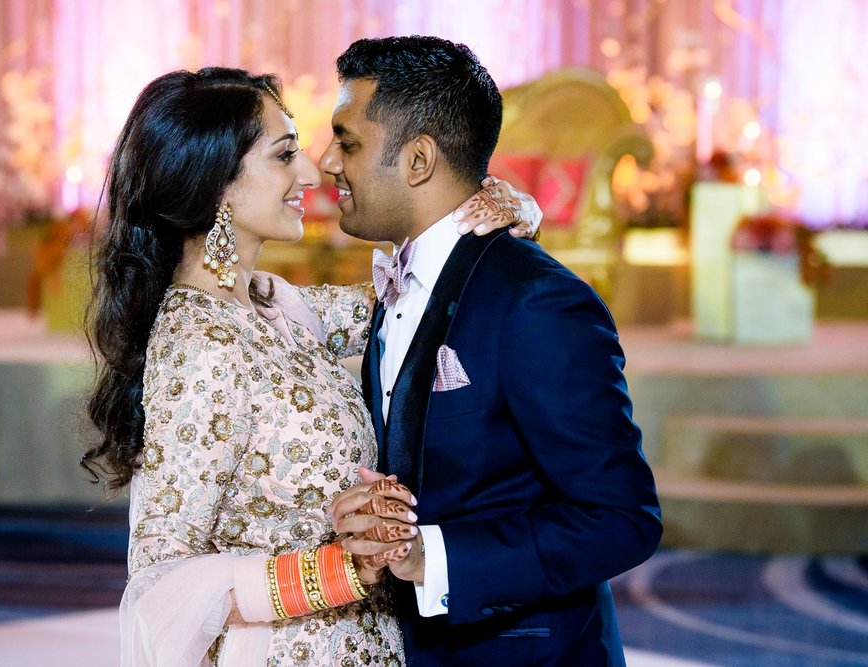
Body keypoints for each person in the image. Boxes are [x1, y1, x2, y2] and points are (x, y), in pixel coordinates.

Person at [81, 67, 540, 666]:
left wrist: (498, 211)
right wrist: (341, 569)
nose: (310, 171)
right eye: (284, 155)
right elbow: (160, 578)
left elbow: (415, 296)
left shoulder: (276, 305)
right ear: (215, 184)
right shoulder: (198, 345)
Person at [324, 36, 663, 666]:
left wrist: (432, 556)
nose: (327, 162)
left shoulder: (536, 304)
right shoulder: (397, 282)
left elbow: (622, 518)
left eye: (347, 142)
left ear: (418, 158)